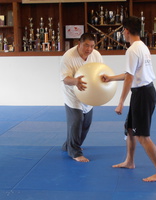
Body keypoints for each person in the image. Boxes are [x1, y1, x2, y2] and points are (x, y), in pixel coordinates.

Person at [101, 16, 156, 182]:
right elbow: (130, 74)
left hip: (143, 94)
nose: (123, 33)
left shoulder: (132, 50)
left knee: (143, 136)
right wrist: (110, 78)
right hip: (144, 92)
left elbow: (130, 78)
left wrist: (120, 102)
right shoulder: (142, 47)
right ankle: (129, 161)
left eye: (123, 30)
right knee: (130, 129)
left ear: (126, 30)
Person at [60, 33, 103, 162]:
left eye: (92, 46)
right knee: (76, 120)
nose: (89, 49)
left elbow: (101, 72)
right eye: (86, 45)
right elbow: (65, 79)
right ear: (79, 44)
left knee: (86, 123)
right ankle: (75, 152)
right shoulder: (68, 57)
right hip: (72, 92)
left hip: (88, 93)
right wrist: (76, 81)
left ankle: (68, 145)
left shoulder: (96, 55)